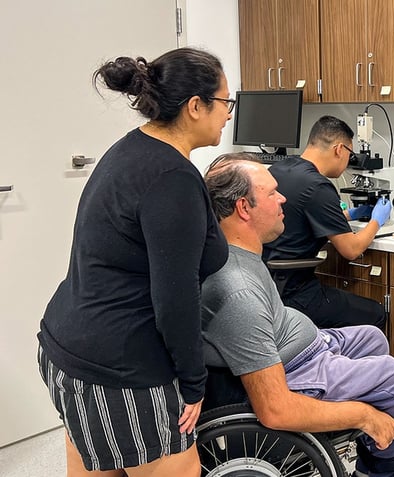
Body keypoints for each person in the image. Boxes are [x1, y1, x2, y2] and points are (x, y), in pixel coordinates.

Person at [36, 48, 232, 476]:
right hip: (120, 368)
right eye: (225, 103)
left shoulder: (132, 149)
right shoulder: (173, 178)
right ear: (195, 107)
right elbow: (174, 299)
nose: (229, 115)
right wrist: (194, 383)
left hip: (66, 347)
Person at [200, 153, 394, 477]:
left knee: (371, 336)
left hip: (296, 347)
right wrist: (361, 415)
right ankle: (392, 471)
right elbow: (274, 408)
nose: (282, 197)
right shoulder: (239, 292)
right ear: (244, 208)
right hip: (291, 369)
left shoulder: (240, 251)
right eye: (272, 193)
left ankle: (375, 460)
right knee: (393, 377)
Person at [262, 115, 392, 329]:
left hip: (269, 286)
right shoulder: (318, 186)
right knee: (375, 313)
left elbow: (299, 216)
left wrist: (350, 215)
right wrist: (377, 221)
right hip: (296, 294)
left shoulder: (280, 169)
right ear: (339, 149)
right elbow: (351, 249)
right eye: (350, 154)